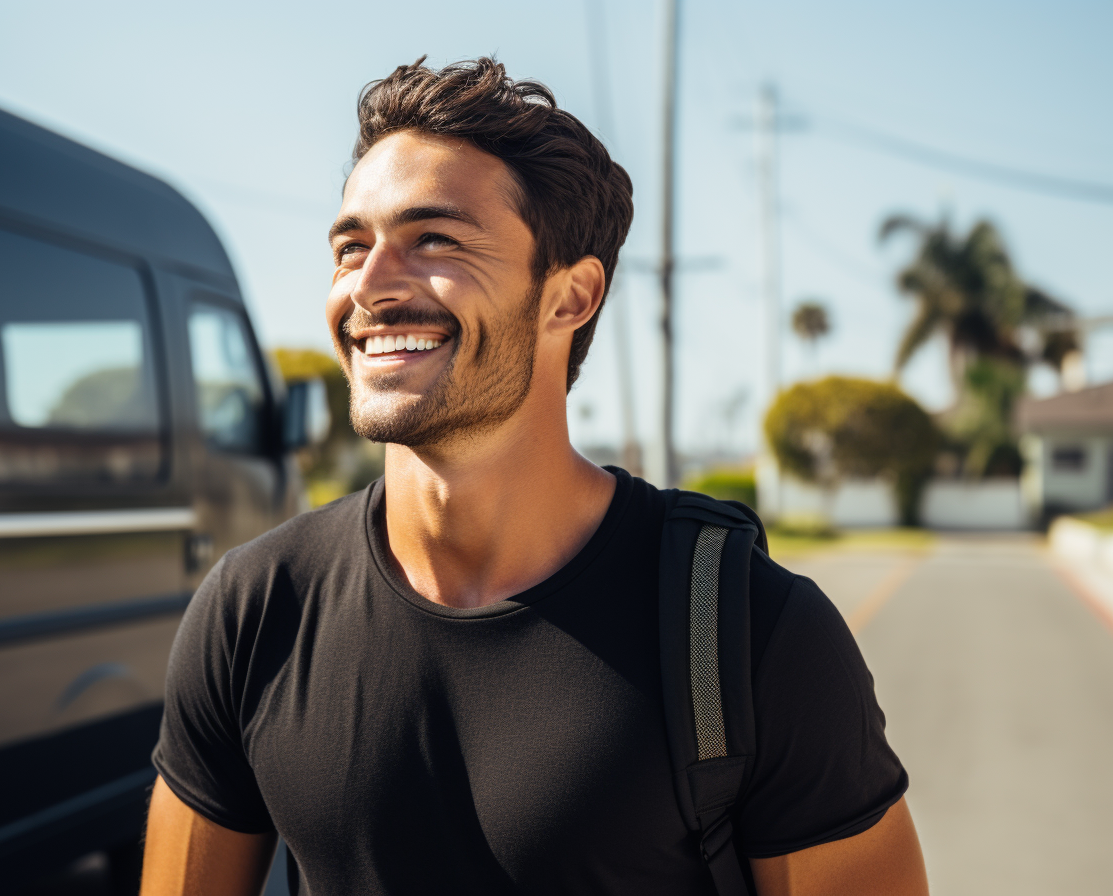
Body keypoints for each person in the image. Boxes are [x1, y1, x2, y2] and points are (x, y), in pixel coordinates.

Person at [141, 58, 928, 896]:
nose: (367, 286)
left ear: (571, 297)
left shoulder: (749, 632)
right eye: (350, 247)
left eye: (434, 240)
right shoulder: (255, 609)